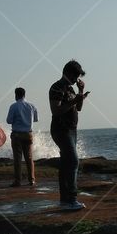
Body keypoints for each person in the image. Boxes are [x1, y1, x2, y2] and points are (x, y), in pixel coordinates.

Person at [49, 60, 89, 210]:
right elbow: (56, 111)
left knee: (66, 163)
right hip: (61, 129)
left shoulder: (71, 89)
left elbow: (78, 108)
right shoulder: (57, 87)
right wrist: (74, 102)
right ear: (68, 73)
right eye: (75, 76)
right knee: (73, 162)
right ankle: (71, 199)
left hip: (71, 130)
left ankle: (65, 200)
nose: (76, 79)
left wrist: (80, 93)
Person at [6, 87, 38, 187]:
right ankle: (32, 180)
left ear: (16, 95)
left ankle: (18, 181)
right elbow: (36, 119)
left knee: (17, 158)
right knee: (29, 158)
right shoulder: (32, 106)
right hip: (28, 134)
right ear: (24, 94)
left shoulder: (14, 106)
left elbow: (9, 121)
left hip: (17, 135)